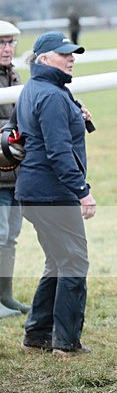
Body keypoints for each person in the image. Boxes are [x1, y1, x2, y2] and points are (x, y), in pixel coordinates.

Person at [15, 30, 96, 357]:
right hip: (52, 194)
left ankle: (36, 333)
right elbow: (59, 151)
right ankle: (66, 342)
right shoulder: (51, 95)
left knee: (57, 262)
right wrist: (82, 191)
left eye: (72, 52)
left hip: (34, 193)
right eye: (65, 54)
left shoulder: (40, 88)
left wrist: (79, 117)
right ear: (44, 59)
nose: (71, 57)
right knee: (75, 261)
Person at [0, 19, 30, 319]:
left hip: (13, 173)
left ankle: (5, 297)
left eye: (10, 43)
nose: (7, 49)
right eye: (1, 43)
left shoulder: (14, 76)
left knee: (10, 236)